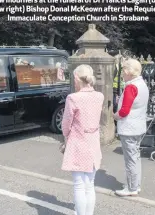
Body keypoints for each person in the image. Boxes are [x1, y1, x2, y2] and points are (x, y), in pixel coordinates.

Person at [61, 64, 104, 215]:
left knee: (79, 185)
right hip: (93, 142)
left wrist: (65, 137)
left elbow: (66, 123)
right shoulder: (100, 96)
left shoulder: (73, 98)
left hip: (78, 142)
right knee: (90, 184)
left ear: (77, 79)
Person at [113, 58, 149, 197]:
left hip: (129, 127)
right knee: (135, 157)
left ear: (128, 71)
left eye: (123, 70)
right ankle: (135, 184)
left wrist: (115, 116)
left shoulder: (130, 87)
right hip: (138, 125)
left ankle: (132, 187)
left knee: (130, 159)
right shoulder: (141, 84)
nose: (122, 73)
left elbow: (124, 111)